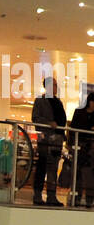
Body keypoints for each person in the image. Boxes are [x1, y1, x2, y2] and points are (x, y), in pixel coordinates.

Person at [32, 77, 66, 206]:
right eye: (54, 85)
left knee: (53, 168)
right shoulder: (40, 101)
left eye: (57, 85)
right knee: (42, 166)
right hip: (45, 140)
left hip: (57, 140)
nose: (56, 88)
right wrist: (48, 123)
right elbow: (35, 118)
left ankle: (52, 195)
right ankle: (38, 194)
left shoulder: (58, 102)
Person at [66, 93, 94, 208]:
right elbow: (73, 129)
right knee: (78, 173)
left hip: (91, 148)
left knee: (90, 175)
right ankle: (76, 197)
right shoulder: (79, 112)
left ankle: (89, 199)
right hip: (80, 146)